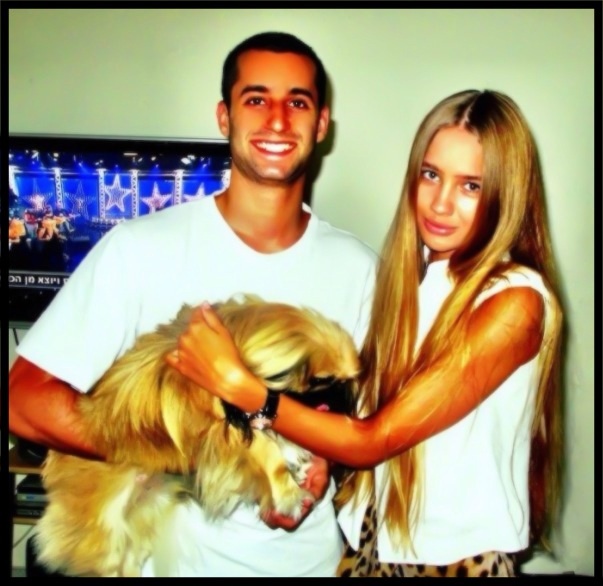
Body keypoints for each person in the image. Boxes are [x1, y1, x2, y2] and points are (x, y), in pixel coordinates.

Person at [8, 32, 377, 577]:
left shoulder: (361, 270)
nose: (277, 119)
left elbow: (368, 432)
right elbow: (24, 402)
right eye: (256, 99)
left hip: (307, 567)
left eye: (297, 102)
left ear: (321, 124)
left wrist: (326, 463)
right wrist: (198, 451)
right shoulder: (139, 249)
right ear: (225, 116)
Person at [167, 89, 564, 578]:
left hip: (455, 562)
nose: (441, 203)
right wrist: (325, 465)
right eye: (431, 174)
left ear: (508, 192)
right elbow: (382, 424)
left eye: (471, 186)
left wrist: (241, 388)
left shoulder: (515, 301)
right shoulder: (417, 277)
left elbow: (375, 439)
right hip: (375, 544)